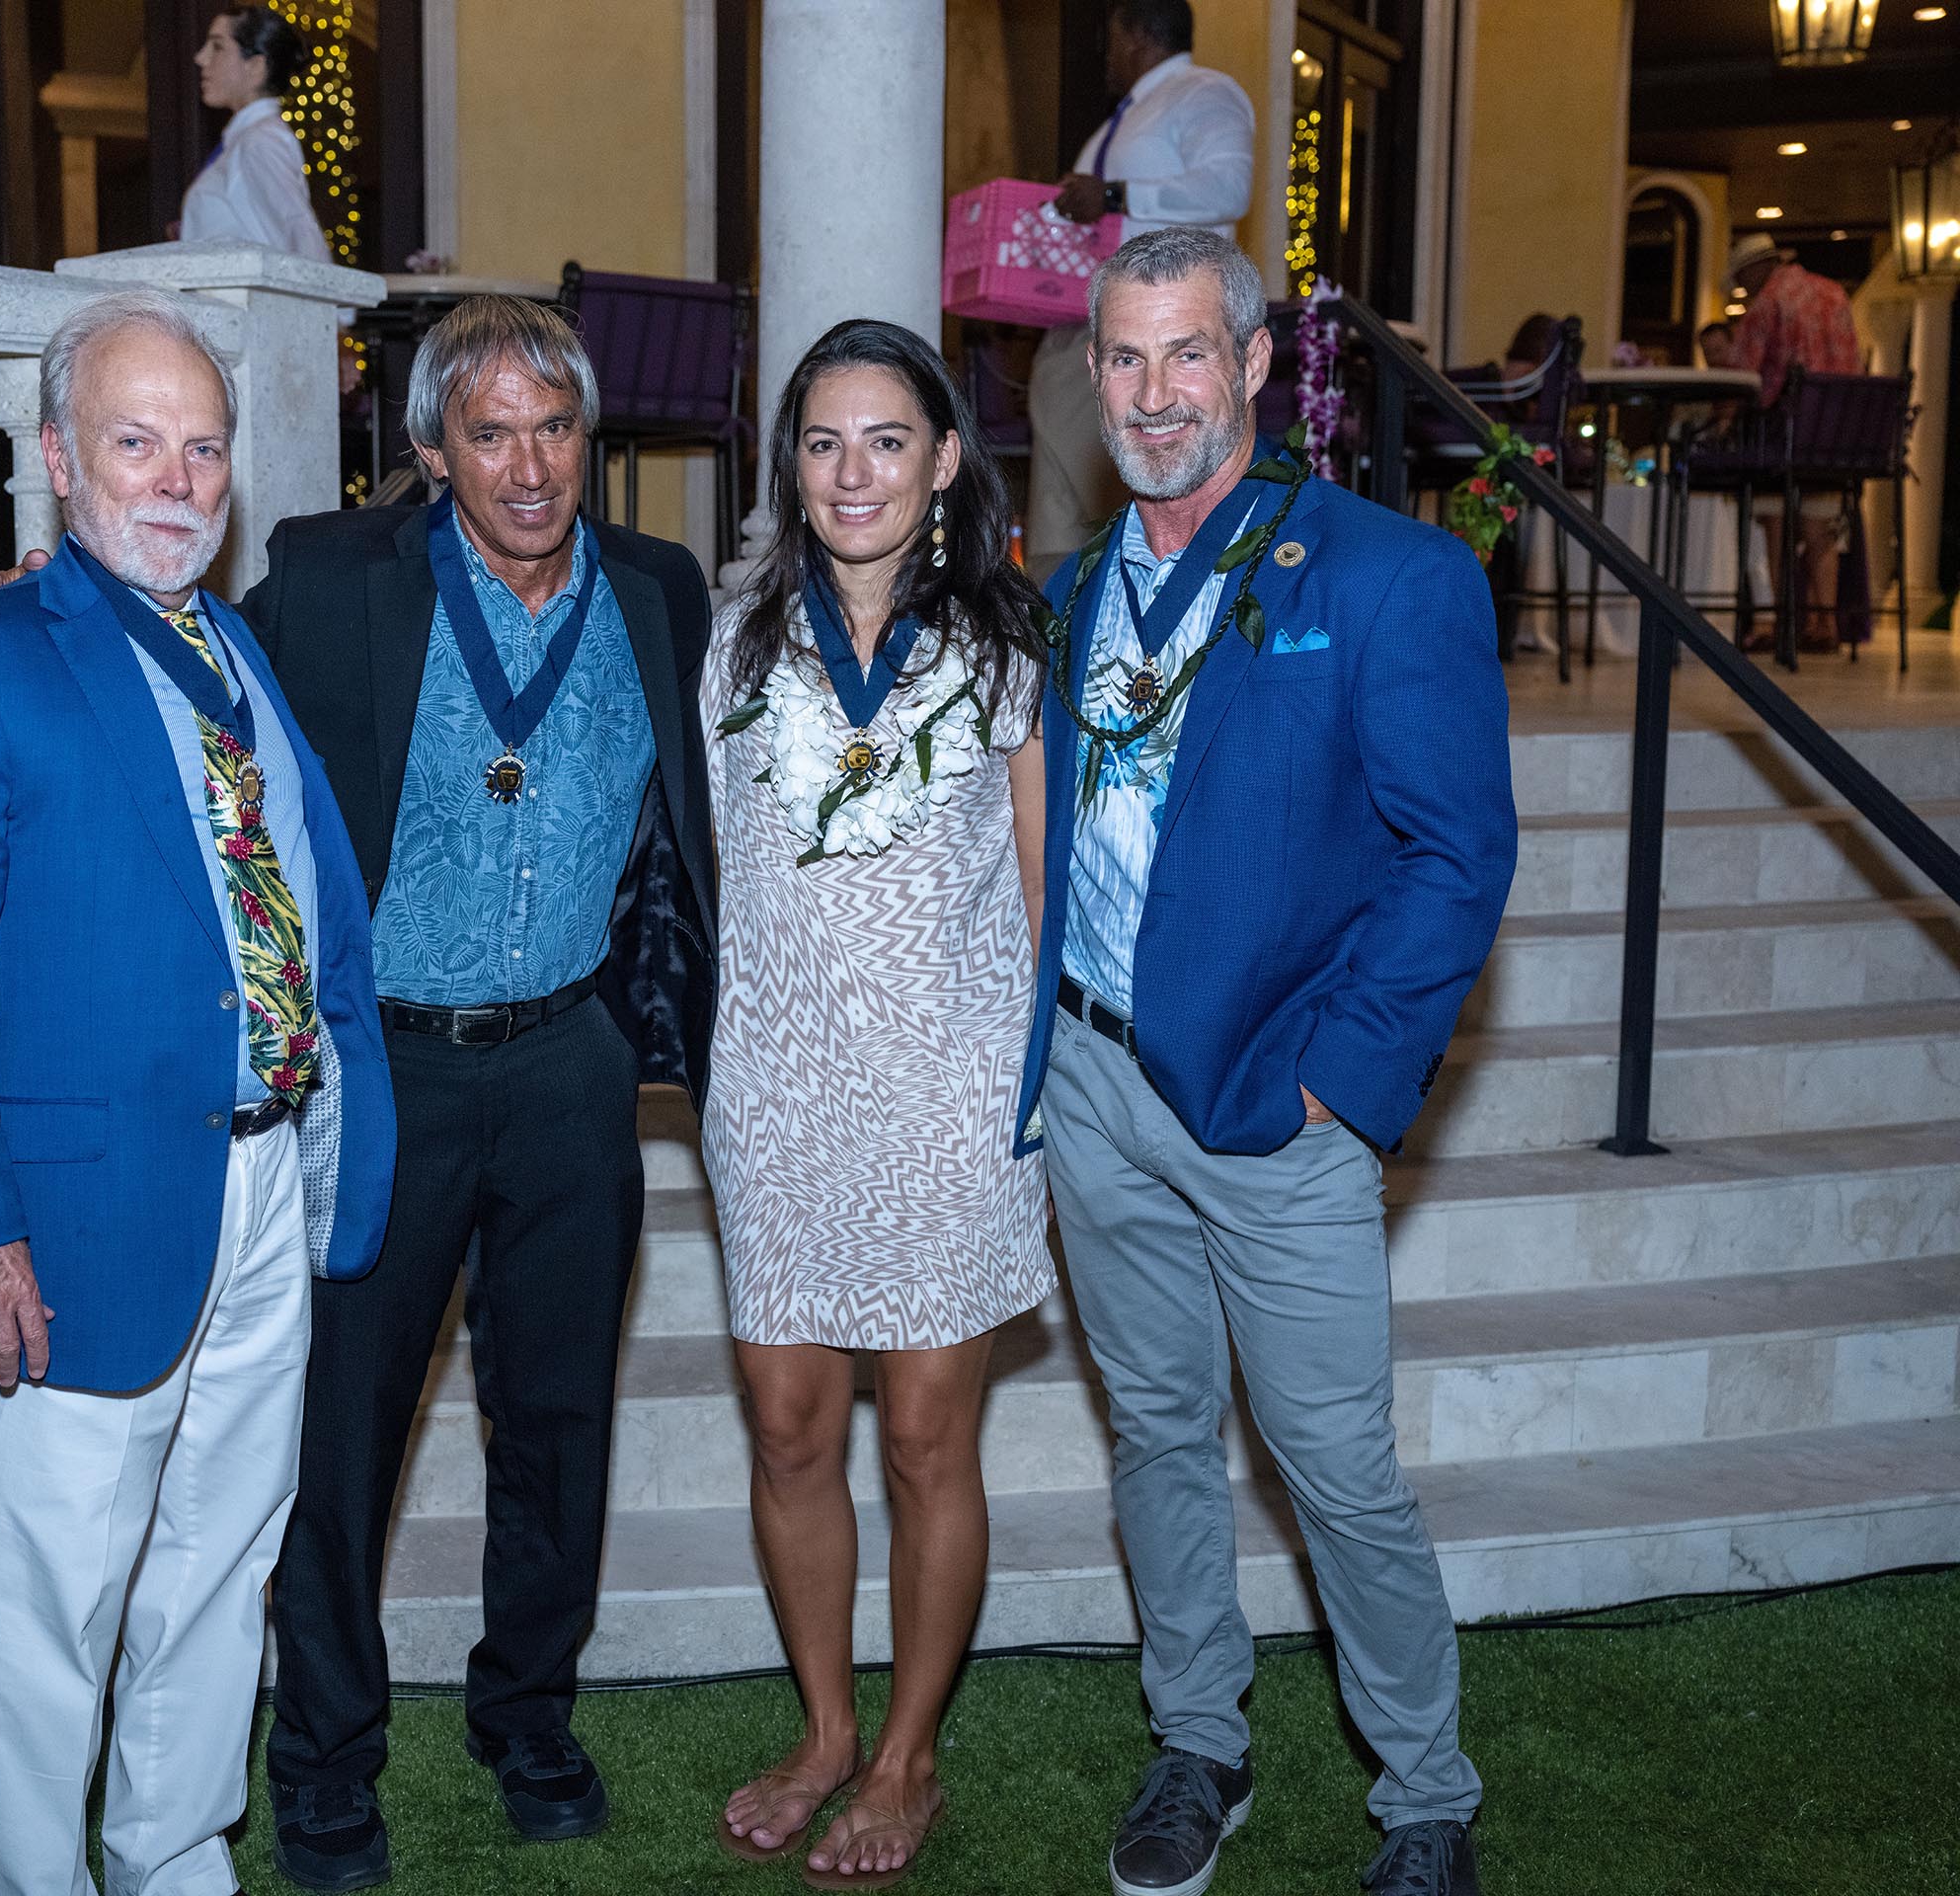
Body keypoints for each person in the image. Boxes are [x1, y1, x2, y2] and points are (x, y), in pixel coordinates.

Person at [0, 287, 396, 1896]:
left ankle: (176, 1857)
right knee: (46, 1607)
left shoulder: (236, 652)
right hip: (69, 1218)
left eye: (202, 447)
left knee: (224, 1567)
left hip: (262, 1186)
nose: (175, 478)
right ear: (61, 462)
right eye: (136, 442)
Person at [1016, 227, 1514, 1896]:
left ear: (1250, 367)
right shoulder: (1070, 595)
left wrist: (1341, 1085)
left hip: (1273, 1111)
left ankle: (1425, 1796)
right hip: (1094, 1086)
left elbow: (1456, 860)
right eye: (1125, 360)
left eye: (1185, 357)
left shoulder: (1384, 575)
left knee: (1335, 1468)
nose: (1154, 394)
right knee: (1156, 1434)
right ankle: (1198, 1740)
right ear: (1096, 377)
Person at [243, 295, 713, 1890]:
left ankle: (529, 1718)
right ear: (433, 450)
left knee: (560, 1418)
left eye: (557, 428)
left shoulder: (658, 593)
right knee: (343, 1432)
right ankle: (323, 1763)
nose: (529, 466)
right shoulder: (325, 582)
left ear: (593, 440)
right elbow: (201, 702)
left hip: (573, 1065)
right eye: (491, 432)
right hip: (386, 1072)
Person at [704, 319, 1050, 1888]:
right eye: (825, 443)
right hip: (776, 1081)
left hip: (951, 1088)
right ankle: (827, 1727)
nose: (855, 473)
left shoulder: (1007, 646)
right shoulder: (729, 643)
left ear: (944, 461)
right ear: (791, 465)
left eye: (888, 441)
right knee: (787, 1426)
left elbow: (1044, 899)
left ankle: (909, 1757)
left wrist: (1044, 1096)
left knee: (923, 1437)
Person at [1029, 0, 1254, 575]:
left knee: (1121, 485)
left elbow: (1228, 186)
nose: (1107, 57)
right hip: (1081, 328)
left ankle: (1133, 598)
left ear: (1136, 35)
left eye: (1112, 37)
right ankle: (1057, 626)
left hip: (1156, 329)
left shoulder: (1206, 93)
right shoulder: (1118, 121)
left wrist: (1113, 195)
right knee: (1058, 497)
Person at [1725, 232, 1863, 653]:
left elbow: (1743, 374)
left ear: (1754, 270)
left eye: (1742, 280)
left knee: (1771, 515)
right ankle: (1824, 623)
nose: (1743, 289)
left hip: (1789, 437)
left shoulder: (1769, 301)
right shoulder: (1834, 293)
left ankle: (1777, 617)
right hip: (1838, 437)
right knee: (1820, 521)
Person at [183, 5, 330, 260]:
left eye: (217, 47)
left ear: (255, 67)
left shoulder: (261, 140)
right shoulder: (245, 139)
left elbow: (301, 232)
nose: (200, 57)